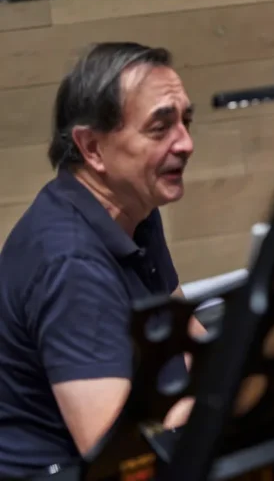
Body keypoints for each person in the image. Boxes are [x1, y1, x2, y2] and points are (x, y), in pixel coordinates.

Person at [0, 42, 201, 477]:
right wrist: (225, 398)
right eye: (160, 128)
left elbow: (186, 341)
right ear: (92, 148)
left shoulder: (134, 210)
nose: (185, 143)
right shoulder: (70, 265)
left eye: (186, 122)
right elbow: (122, 457)